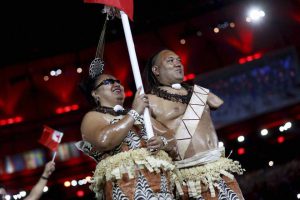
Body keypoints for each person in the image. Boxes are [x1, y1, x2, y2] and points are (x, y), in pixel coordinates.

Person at [144, 49, 244, 200]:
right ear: (156, 70)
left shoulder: (198, 92)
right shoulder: (149, 101)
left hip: (219, 167)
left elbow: (217, 102)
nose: (178, 64)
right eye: (170, 61)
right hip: (190, 175)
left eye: (179, 60)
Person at [77, 72, 178, 199]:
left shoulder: (140, 114)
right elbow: (104, 140)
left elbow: (172, 138)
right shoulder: (93, 117)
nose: (116, 84)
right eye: (108, 82)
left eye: (118, 81)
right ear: (95, 93)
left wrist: (162, 141)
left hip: (159, 185)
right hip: (126, 187)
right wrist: (135, 113)